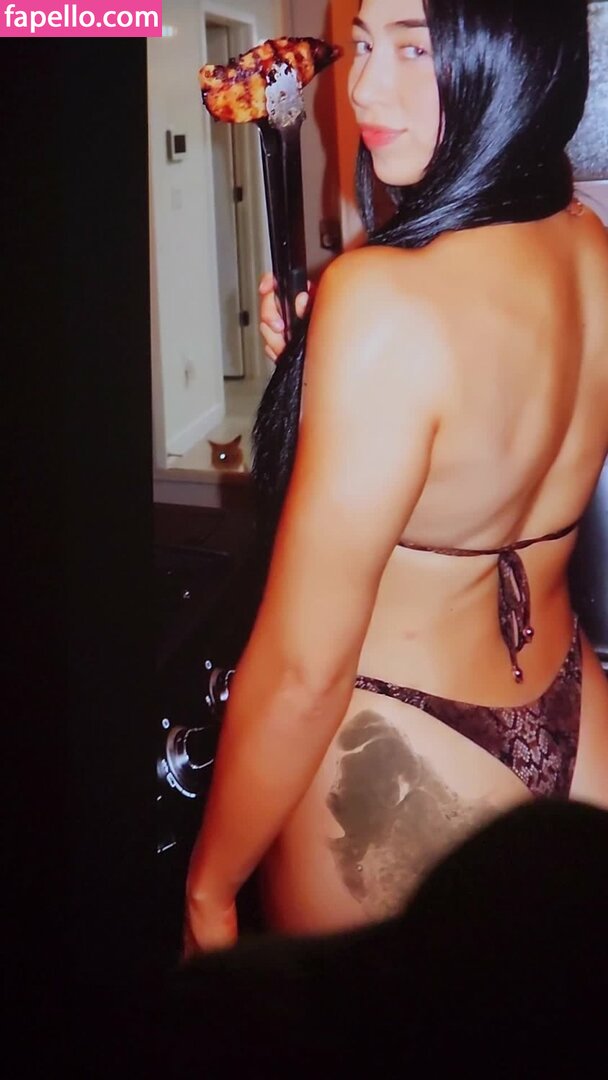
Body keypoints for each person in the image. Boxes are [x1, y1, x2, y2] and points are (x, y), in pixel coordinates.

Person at [185, 0, 608, 954]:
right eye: (364, 45)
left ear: (510, 51)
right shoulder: (586, 239)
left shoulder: (382, 302)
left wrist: (208, 892)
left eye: (416, 48)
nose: (367, 89)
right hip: (575, 710)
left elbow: (302, 674)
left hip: (403, 748)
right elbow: (479, 427)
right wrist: (326, 369)